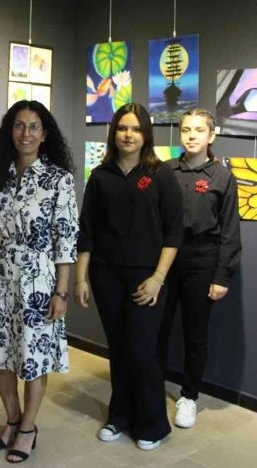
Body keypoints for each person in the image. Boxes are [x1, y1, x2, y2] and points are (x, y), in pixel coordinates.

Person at [0, 100, 78, 463]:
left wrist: (61, 291)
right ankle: (13, 419)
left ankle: (29, 428)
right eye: (19, 125)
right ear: (10, 131)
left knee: (34, 357)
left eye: (34, 127)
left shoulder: (58, 179)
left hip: (39, 280)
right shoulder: (0, 175)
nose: (26, 133)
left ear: (44, 134)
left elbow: (66, 241)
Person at [74, 102, 182, 451]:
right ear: (113, 133)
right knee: (119, 350)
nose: (128, 135)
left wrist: (158, 279)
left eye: (136, 129)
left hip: (147, 278)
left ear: (146, 134)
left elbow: (173, 234)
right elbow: (87, 231)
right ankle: (119, 416)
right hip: (106, 276)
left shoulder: (161, 175)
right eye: (122, 128)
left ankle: (152, 424)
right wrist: (80, 278)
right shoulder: (100, 176)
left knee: (142, 350)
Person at [156, 109, 241, 429]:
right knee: (157, 328)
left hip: (202, 259)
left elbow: (230, 230)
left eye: (199, 130)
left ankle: (189, 396)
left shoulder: (222, 176)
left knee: (195, 334)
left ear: (211, 135)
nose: (192, 136)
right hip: (165, 258)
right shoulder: (165, 171)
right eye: (186, 130)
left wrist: (222, 276)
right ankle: (151, 386)